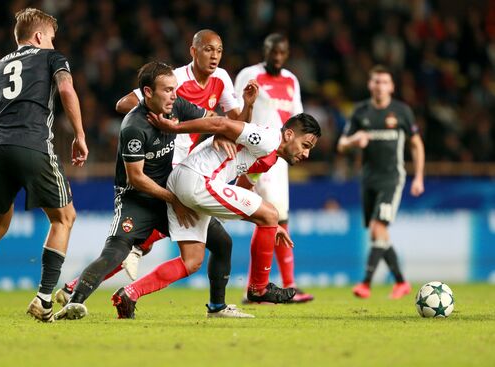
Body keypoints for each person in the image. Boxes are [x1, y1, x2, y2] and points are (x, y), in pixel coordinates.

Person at [54, 61, 254, 320]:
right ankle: (75, 301)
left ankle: (217, 307)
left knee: (222, 242)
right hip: (136, 198)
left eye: (175, 89)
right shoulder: (134, 126)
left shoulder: (176, 106)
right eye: (167, 90)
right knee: (116, 252)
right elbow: (136, 178)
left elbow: (213, 121)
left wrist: (223, 129)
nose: (174, 95)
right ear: (148, 92)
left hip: (169, 191)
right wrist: (175, 201)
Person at [0, 8, 88, 323]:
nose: (53, 43)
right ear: (39, 36)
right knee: (64, 217)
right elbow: (66, 90)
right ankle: (44, 300)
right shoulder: (53, 58)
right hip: (33, 144)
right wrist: (79, 134)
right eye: (50, 37)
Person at [111, 112, 321, 319]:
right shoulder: (267, 139)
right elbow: (221, 122)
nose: (306, 154)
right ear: (289, 135)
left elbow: (244, 192)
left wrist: (270, 225)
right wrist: (174, 127)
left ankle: (130, 294)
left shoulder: (268, 158)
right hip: (198, 180)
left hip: (184, 181)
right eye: (305, 146)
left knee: (192, 261)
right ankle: (259, 288)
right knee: (271, 213)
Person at [234, 33, 313, 303]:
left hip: (280, 156)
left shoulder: (291, 80)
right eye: (272, 52)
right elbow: (236, 111)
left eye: (282, 53)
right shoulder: (249, 74)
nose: (277, 57)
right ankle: (268, 287)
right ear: (265, 50)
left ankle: (263, 287)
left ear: (287, 54)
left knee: (279, 218)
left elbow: (298, 118)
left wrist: (301, 147)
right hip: (256, 152)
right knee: (270, 216)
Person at [337, 65, 425, 299]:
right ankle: (401, 282)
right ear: (370, 85)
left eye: (384, 82)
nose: (380, 86)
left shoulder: (401, 111)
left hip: (392, 178)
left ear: (392, 86)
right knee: (377, 235)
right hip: (368, 179)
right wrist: (354, 139)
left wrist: (418, 177)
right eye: (376, 81)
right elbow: (341, 144)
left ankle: (365, 283)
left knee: (379, 228)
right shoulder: (361, 111)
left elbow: (416, 144)